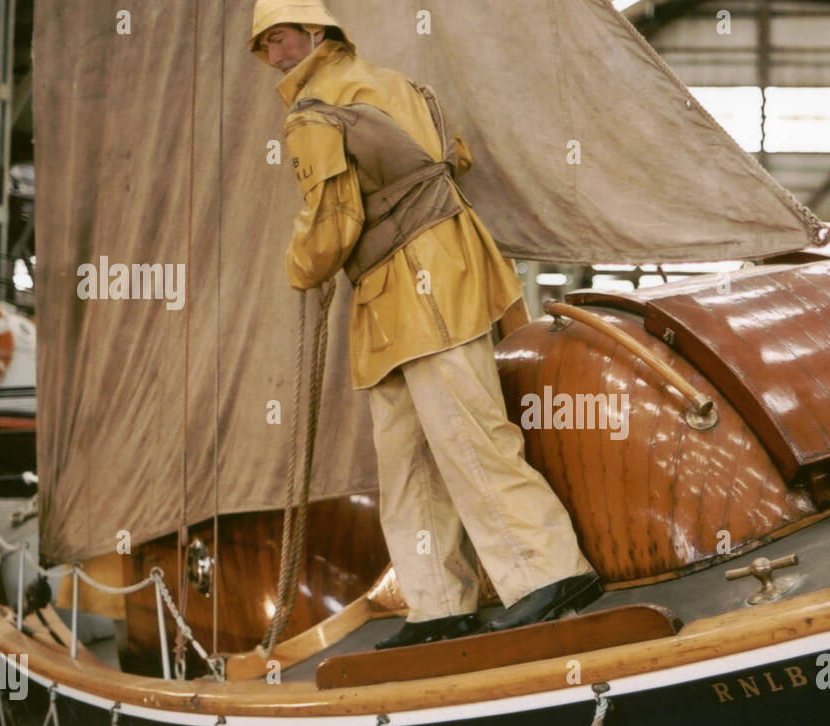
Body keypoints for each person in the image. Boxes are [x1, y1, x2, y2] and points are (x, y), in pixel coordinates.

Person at [249, 1, 601, 648]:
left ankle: (548, 574)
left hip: (418, 282)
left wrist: (300, 268)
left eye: (283, 38)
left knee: (467, 436)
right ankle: (438, 605)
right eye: (266, 44)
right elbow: (453, 155)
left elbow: (331, 220)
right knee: (406, 457)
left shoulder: (314, 112)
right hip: (412, 283)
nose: (276, 54)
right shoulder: (396, 82)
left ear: (317, 35)